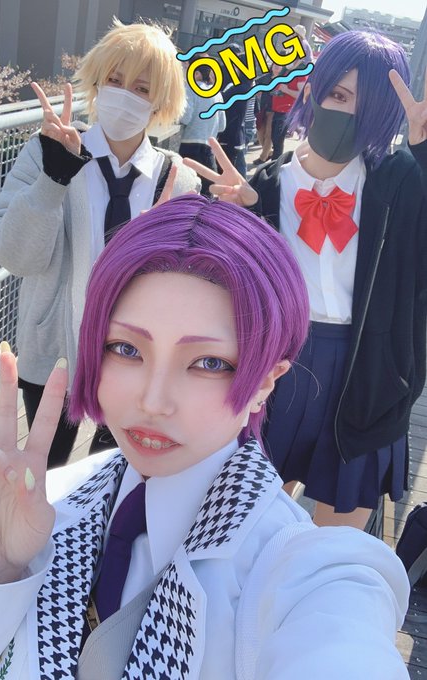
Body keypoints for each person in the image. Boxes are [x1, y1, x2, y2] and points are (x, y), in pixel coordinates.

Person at [0, 195, 409, 679]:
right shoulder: (51, 499)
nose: (153, 402)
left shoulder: (301, 571)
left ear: (265, 381)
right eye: (126, 349)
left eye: (208, 363)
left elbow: (342, 637)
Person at [182, 31, 427, 530]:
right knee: (246, 527)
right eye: (336, 92)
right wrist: (239, 217)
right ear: (312, 90)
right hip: (277, 366)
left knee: (335, 547)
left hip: (367, 374)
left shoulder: (400, 183)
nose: (344, 111)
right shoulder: (266, 187)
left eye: (363, 104)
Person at [0, 20, 199, 467]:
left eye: (142, 88)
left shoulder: (177, 180)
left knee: (113, 471)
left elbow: (188, 284)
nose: (125, 95)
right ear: (97, 83)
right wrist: (52, 180)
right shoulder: (47, 150)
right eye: (115, 80)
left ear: (160, 102)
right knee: (46, 468)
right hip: (54, 351)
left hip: (136, 358)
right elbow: (15, 256)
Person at [179, 60, 226, 196]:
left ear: (197, 74)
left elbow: (185, 118)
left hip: (189, 145)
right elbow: (222, 126)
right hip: (209, 148)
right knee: (208, 192)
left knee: (186, 190)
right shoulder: (217, 93)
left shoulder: (190, 88)